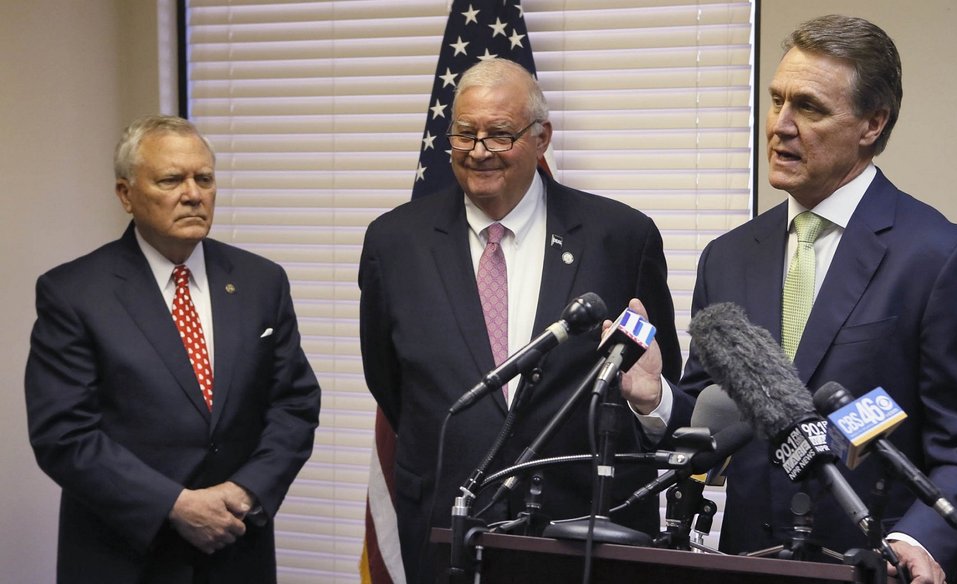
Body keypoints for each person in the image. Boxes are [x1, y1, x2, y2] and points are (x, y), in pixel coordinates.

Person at [620, 14, 957, 584]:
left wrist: (917, 542)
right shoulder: (727, 257)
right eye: (776, 100)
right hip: (746, 564)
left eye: (809, 107)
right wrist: (656, 399)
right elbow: (716, 421)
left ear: (872, 124)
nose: (780, 125)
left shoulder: (936, 257)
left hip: (876, 568)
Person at [359, 58, 682, 582]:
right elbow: (392, 384)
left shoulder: (621, 237)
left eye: (499, 134)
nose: (479, 151)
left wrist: (652, 403)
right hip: (449, 533)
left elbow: (658, 383)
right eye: (465, 134)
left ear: (542, 138)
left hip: (586, 537)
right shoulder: (393, 243)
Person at [25, 114, 321, 583]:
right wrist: (176, 505)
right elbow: (63, 434)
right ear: (126, 194)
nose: (193, 193)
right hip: (125, 557)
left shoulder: (261, 282)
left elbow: (295, 404)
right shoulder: (74, 293)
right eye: (171, 179)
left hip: (236, 549)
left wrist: (243, 493)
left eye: (204, 178)